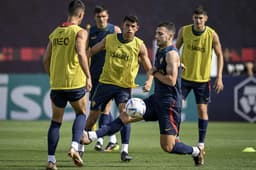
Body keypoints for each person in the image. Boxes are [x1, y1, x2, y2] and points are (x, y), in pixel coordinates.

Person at [81, 22, 205, 166]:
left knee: (168, 147)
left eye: (160, 34)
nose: (156, 36)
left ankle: (196, 151)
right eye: (156, 33)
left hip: (169, 105)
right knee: (125, 115)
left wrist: (154, 72)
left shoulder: (171, 53)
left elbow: (171, 81)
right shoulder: (161, 51)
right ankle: (92, 135)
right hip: (156, 100)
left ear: (170, 36)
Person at [84, 15, 153, 161]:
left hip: (124, 87)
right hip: (105, 84)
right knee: (93, 117)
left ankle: (124, 151)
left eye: (133, 26)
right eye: (127, 25)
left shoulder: (139, 45)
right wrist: (84, 72)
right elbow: (90, 52)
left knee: (126, 114)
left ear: (137, 28)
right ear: (123, 25)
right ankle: (79, 147)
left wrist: (149, 81)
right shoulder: (110, 39)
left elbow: (149, 68)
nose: (129, 29)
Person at [42, 0, 92, 169]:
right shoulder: (80, 32)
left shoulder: (55, 33)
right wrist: (88, 76)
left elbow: (45, 59)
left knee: (56, 122)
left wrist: (53, 76)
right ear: (81, 14)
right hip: (74, 83)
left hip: (57, 85)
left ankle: (51, 160)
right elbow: (80, 53)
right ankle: (74, 147)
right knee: (81, 113)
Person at [175, 5, 224, 154]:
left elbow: (220, 54)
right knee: (176, 106)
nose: (198, 20)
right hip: (184, 78)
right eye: (196, 18)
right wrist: (177, 62)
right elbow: (174, 49)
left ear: (205, 19)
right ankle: (175, 137)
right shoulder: (184, 31)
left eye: (201, 18)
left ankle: (201, 143)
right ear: (192, 18)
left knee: (202, 110)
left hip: (202, 80)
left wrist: (219, 77)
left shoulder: (212, 34)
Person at [88, 5, 121, 152]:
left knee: (105, 109)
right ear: (95, 18)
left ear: (108, 17)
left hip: (110, 75)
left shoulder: (115, 30)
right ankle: (110, 140)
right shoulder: (91, 32)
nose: (101, 19)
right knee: (99, 109)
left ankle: (101, 140)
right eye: (98, 17)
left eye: (103, 16)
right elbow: (87, 53)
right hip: (95, 74)